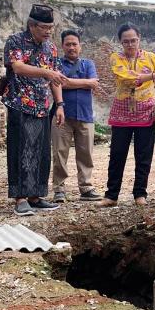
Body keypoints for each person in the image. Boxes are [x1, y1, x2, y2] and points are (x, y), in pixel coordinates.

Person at [98, 23, 155, 207]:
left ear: (139, 39)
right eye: (126, 41)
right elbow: (125, 77)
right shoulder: (116, 58)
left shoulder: (150, 57)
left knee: (143, 155)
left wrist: (153, 81)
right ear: (120, 42)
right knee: (117, 154)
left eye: (134, 40)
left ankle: (140, 193)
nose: (130, 44)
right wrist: (153, 76)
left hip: (146, 112)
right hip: (121, 113)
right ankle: (111, 195)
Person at [3, 4, 69, 216]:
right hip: (19, 104)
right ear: (31, 25)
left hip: (43, 106)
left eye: (51, 27)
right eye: (44, 27)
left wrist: (59, 105)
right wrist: (47, 73)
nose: (49, 31)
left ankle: (36, 196)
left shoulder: (51, 47)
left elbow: (55, 78)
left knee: (41, 153)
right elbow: (18, 66)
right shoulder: (16, 40)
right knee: (21, 151)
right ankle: (20, 198)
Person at [51, 29, 103, 203]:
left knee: (85, 153)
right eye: (68, 44)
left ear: (80, 46)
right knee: (59, 154)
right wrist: (85, 82)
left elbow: (94, 84)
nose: (71, 47)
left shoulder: (88, 64)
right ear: (62, 46)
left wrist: (68, 82)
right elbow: (57, 83)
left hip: (85, 115)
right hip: (62, 115)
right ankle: (59, 189)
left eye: (74, 44)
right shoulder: (56, 63)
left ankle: (86, 187)